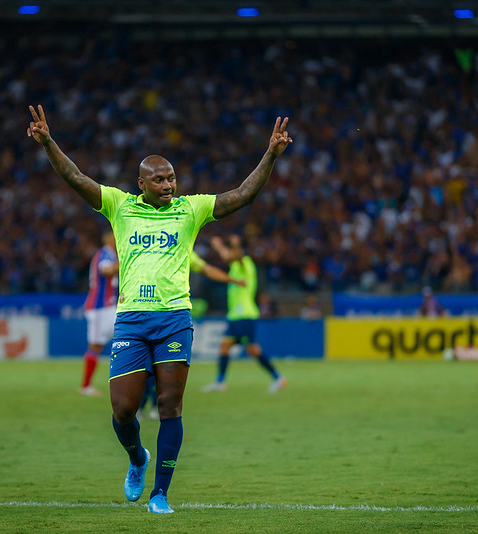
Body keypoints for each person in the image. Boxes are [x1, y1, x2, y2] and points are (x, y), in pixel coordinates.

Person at [28, 105, 291, 514]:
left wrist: (270, 155)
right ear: (141, 184)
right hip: (131, 319)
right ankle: (137, 459)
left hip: (174, 319)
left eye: (171, 178)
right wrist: (48, 143)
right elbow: (75, 177)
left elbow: (243, 195)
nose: (168, 184)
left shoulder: (192, 208)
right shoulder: (118, 206)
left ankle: (160, 493)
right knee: (123, 410)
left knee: (170, 405)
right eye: (159, 179)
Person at [137, 249, 246, 421]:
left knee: (162, 367)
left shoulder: (183, 247)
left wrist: (232, 280)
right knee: (146, 366)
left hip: (172, 315)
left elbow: (208, 269)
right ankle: (144, 406)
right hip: (142, 311)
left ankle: (151, 406)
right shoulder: (146, 244)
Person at [202, 235, 287, 394]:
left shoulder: (245, 264)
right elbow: (227, 256)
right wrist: (219, 246)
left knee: (252, 349)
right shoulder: (235, 266)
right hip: (235, 316)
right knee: (225, 346)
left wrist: (233, 244)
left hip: (244, 315)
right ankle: (220, 382)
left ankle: (278, 378)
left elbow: (236, 256)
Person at [79, 232, 119, 397]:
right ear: (110, 240)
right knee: (95, 345)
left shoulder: (110, 254)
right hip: (99, 307)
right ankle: (86, 386)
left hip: (108, 307)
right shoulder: (105, 254)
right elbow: (106, 270)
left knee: (124, 337)